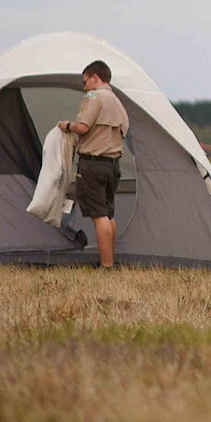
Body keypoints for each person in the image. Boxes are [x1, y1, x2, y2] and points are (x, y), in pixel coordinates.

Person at [55, 59, 128, 269]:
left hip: (93, 164)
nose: (84, 86)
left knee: (98, 215)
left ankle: (106, 266)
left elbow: (83, 126)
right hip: (112, 164)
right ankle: (111, 260)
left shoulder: (94, 96)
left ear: (96, 78)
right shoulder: (117, 100)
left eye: (85, 81)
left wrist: (66, 125)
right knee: (108, 213)